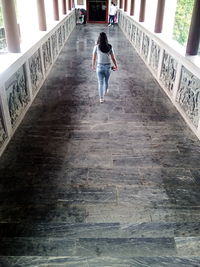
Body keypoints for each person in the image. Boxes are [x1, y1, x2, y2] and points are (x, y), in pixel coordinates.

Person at [92, 32, 118, 103]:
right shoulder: (109, 47)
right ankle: (106, 90)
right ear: (106, 39)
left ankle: (101, 98)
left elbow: (94, 58)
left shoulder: (96, 47)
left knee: (100, 83)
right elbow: (113, 58)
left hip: (99, 67)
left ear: (99, 39)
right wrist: (116, 65)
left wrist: (93, 66)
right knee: (106, 81)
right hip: (108, 67)